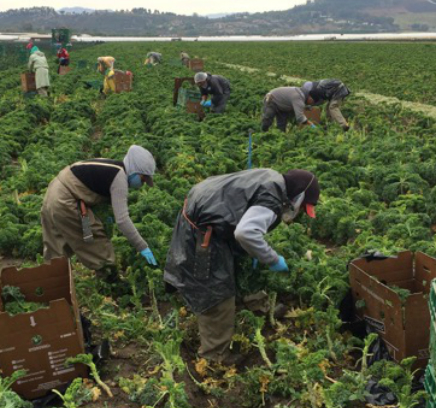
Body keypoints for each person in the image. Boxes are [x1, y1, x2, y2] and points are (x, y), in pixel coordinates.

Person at [164, 168, 320, 364]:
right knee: (216, 294)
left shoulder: (271, 178)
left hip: (207, 215)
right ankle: (214, 357)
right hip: (203, 233)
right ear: (298, 196)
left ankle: (257, 304)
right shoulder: (271, 199)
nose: (298, 212)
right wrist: (272, 259)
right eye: (302, 207)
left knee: (241, 266)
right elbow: (245, 233)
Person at [40, 145, 159, 277]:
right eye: (143, 179)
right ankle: (109, 279)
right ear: (135, 171)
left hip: (53, 192)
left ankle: (52, 286)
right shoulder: (119, 178)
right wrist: (142, 246)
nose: (142, 184)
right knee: (95, 242)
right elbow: (123, 220)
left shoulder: (112, 166)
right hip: (66, 201)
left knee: (56, 251)